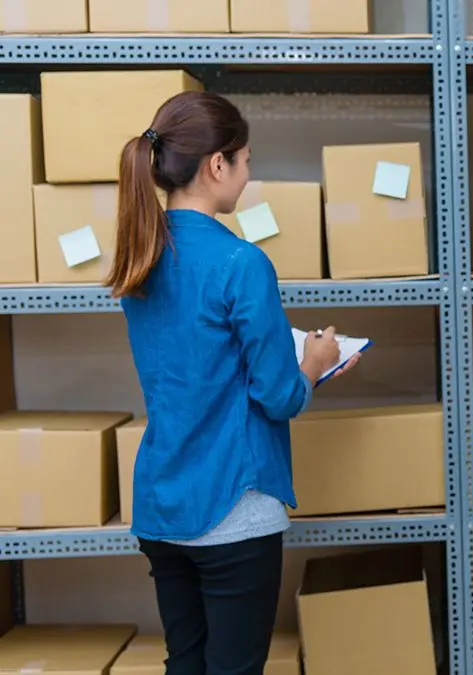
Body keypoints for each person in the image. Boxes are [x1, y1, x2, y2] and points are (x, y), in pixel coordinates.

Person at [107, 91, 359, 675]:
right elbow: (280, 395)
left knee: (187, 663)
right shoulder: (241, 263)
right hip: (232, 509)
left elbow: (195, 359)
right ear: (217, 165)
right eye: (245, 160)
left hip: (164, 504)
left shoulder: (139, 257)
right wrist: (316, 361)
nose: (248, 174)